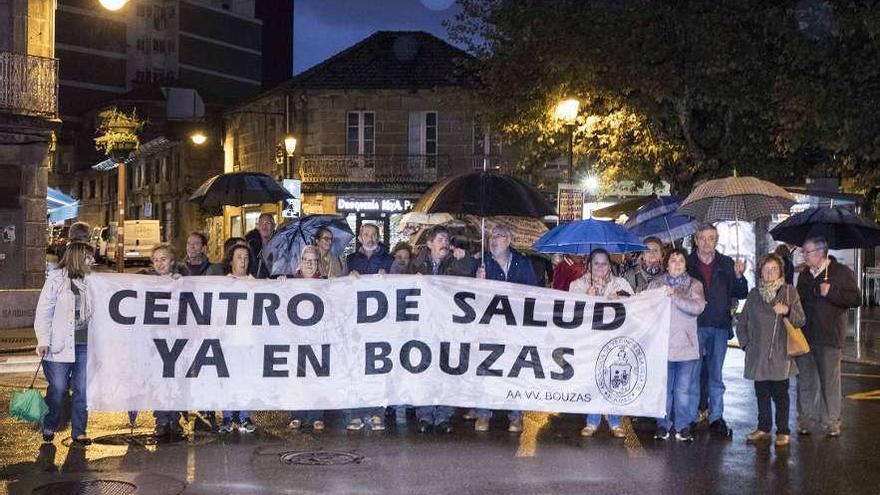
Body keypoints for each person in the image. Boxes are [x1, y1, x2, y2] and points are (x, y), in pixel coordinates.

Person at [411, 225, 478, 433]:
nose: (444, 243)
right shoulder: (415, 265)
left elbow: (469, 274)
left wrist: (464, 258)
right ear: (429, 243)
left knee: (448, 371)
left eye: (446, 240)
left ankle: (443, 417)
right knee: (425, 371)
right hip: (424, 327)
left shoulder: (456, 261)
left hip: (449, 327)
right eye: (440, 239)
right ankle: (424, 415)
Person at [737, 253, 806, 447]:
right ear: (760, 272)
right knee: (761, 393)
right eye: (766, 269)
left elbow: (801, 320)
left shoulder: (789, 292)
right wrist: (745, 345)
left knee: (780, 395)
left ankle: (783, 431)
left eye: (774, 269)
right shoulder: (753, 294)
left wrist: (787, 311)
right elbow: (741, 323)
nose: (770, 273)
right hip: (757, 354)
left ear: (780, 271)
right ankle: (764, 427)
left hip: (780, 355)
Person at [474, 225, 537, 433]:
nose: (494, 240)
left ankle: (516, 415)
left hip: (515, 327)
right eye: (492, 236)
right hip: (489, 327)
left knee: (515, 370)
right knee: (486, 368)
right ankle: (483, 413)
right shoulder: (481, 263)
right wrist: (477, 282)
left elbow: (533, 292)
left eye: (499, 236)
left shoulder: (524, 263)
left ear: (509, 241)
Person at [795, 236, 861, 438]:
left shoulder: (841, 273)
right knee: (805, 381)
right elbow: (801, 298)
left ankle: (831, 421)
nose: (804, 256)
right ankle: (806, 419)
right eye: (804, 252)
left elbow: (856, 298)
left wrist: (831, 292)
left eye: (808, 252)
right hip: (805, 336)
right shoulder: (805, 274)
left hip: (829, 336)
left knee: (829, 382)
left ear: (821, 252)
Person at [686, 223, 748, 436]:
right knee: (693, 374)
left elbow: (741, 293)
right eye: (702, 238)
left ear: (716, 240)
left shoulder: (727, 263)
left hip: (720, 326)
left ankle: (716, 417)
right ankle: (692, 415)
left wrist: (739, 276)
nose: (706, 242)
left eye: (711, 238)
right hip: (694, 325)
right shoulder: (686, 263)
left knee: (715, 375)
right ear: (696, 240)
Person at [569, 248, 635, 438]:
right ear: (589, 265)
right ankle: (592, 419)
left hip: (615, 341)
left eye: (604, 263)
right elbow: (569, 311)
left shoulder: (620, 283)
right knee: (592, 379)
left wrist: (620, 299)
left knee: (614, 379)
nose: (600, 267)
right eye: (595, 263)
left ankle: (614, 420)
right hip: (589, 341)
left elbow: (636, 304)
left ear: (609, 265)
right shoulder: (578, 285)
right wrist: (585, 298)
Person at [34, 242, 95, 446]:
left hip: (85, 344)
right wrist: (43, 340)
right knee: (58, 388)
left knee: (82, 389)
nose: (92, 261)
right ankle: (50, 424)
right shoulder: (56, 280)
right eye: (89, 257)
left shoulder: (93, 280)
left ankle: (79, 431)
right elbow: (44, 312)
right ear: (78, 257)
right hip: (58, 345)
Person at [648, 248, 706, 442]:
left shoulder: (694, 285)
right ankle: (662, 425)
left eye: (681, 260)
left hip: (686, 347)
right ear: (667, 264)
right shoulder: (656, 284)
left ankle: (682, 426)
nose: (678, 264)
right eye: (673, 260)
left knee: (683, 390)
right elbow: (646, 308)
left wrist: (675, 296)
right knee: (663, 389)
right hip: (662, 346)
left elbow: (697, 307)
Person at [344, 223, 394, 432]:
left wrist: (389, 277)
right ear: (359, 237)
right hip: (357, 323)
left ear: (379, 236)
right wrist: (348, 278)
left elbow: (400, 286)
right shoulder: (350, 260)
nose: (370, 238)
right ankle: (356, 413)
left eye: (374, 235)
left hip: (381, 323)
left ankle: (376, 413)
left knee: (378, 369)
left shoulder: (389, 260)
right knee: (357, 368)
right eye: (366, 234)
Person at [140, 244, 186, 438]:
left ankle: (175, 419)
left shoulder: (182, 281)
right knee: (158, 381)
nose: (160, 263)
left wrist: (181, 283)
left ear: (172, 262)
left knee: (176, 380)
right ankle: (161, 420)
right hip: (154, 341)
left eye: (164, 259)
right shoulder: (146, 282)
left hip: (176, 340)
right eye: (156, 260)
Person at [285, 246, 327, 431]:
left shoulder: (327, 284)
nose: (310, 263)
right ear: (300, 262)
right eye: (306, 260)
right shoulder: (288, 283)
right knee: (298, 376)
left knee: (317, 376)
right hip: (297, 338)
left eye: (314, 260)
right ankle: (297, 415)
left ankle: (316, 415)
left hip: (318, 338)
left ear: (318, 263)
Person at [218, 243, 258, 434]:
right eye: (239, 257)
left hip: (247, 340)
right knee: (226, 378)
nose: (243, 261)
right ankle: (227, 416)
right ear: (231, 260)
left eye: (246, 257)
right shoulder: (223, 284)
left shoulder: (255, 283)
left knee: (245, 379)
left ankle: (244, 416)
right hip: (227, 341)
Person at [245, 213, 275, 278]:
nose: (264, 226)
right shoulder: (250, 243)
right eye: (262, 223)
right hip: (253, 282)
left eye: (268, 223)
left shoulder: (280, 244)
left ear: (274, 226)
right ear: (258, 226)